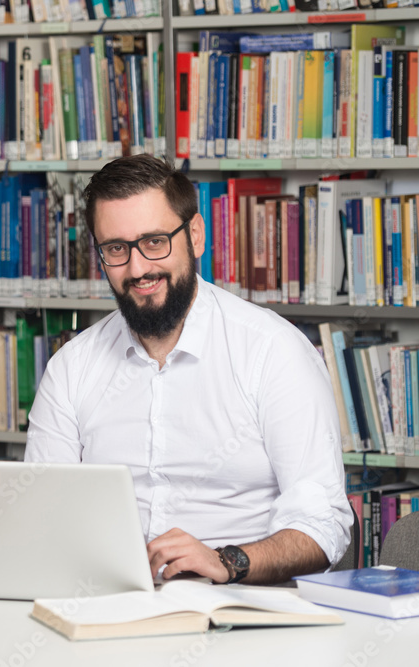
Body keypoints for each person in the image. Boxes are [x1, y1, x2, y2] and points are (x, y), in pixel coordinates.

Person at [24, 154, 353, 586]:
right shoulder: (71, 367)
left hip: (242, 610)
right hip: (108, 605)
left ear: (195, 235)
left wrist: (227, 561)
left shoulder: (273, 351)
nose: (138, 268)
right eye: (116, 249)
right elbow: (43, 516)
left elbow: (324, 524)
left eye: (155, 241)